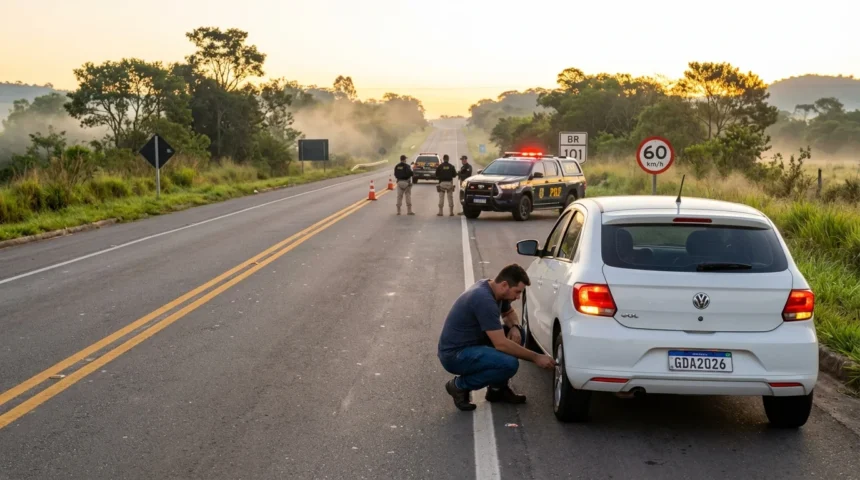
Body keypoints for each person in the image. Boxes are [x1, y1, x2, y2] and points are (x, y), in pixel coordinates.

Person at [437, 264, 556, 411]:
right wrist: (536, 357)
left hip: (473, 344)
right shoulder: (483, 299)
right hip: (455, 355)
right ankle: (458, 386)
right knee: (509, 363)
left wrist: (515, 327)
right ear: (505, 285)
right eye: (517, 292)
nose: (518, 297)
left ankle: (497, 390)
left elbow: (509, 313)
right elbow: (501, 344)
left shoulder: (495, 290)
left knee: (518, 335)